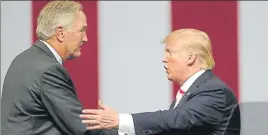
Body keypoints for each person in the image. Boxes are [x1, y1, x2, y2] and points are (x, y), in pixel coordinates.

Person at [80, 28, 241, 135]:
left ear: (190, 58)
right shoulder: (193, 92)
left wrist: (120, 120)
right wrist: (118, 128)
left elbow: (177, 120)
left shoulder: (214, 91)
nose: (164, 59)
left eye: (170, 53)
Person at [1, 1, 117, 135]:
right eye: (82, 30)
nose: (85, 38)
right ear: (60, 33)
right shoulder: (49, 71)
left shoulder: (23, 59)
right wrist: (124, 126)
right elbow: (82, 130)